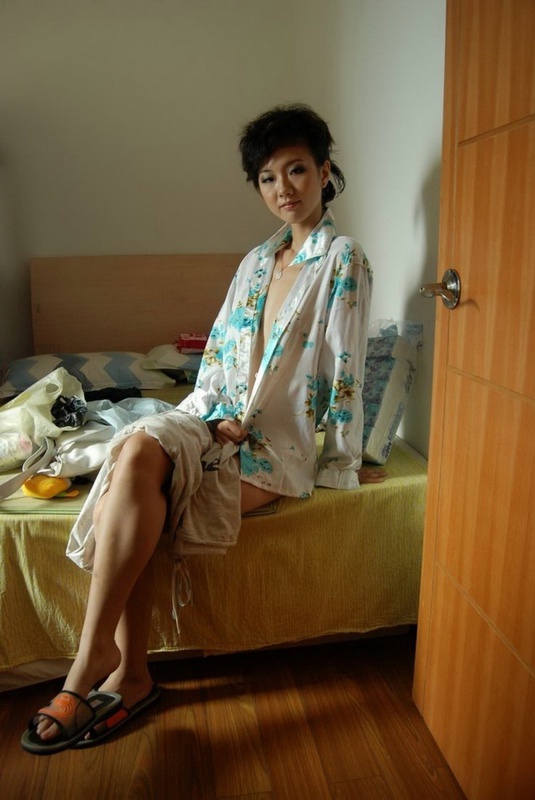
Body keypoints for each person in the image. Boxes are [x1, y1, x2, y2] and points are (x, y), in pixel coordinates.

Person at [21, 103, 382, 754]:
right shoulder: (255, 262)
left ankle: (105, 667)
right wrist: (211, 419)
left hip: (276, 447)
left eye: (297, 169)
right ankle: (117, 665)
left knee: (147, 489)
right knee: (138, 448)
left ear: (325, 171)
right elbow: (215, 358)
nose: (283, 188)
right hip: (214, 424)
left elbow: (347, 370)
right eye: (268, 178)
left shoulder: (342, 259)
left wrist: (344, 461)